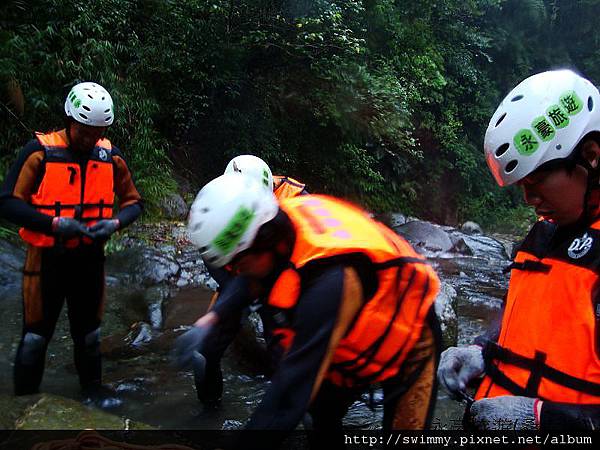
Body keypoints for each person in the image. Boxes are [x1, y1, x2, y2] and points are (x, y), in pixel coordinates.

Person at [175, 172, 441, 449]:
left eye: (239, 264)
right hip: (344, 339)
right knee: (319, 418)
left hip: (409, 340)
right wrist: (212, 320)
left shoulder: (329, 283)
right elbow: (247, 280)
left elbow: (287, 400)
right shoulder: (276, 230)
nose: (236, 273)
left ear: (264, 239)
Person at [438, 69, 600, 430]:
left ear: (591, 156)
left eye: (538, 180)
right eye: (522, 185)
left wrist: (546, 420)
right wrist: (482, 350)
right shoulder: (544, 234)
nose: (528, 199)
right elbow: (525, 314)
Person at [0, 82, 143, 408]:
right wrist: (54, 224)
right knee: (36, 338)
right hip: (46, 259)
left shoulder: (111, 158)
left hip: (89, 260)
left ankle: (92, 396)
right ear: (69, 121)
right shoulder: (39, 153)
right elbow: (7, 202)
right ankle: (22, 405)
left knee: (90, 336)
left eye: (98, 131)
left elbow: (134, 201)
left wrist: (116, 222)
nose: (90, 139)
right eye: (84, 131)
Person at [187, 154, 309, 407]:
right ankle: (208, 417)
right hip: (240, 278)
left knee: (288, 363)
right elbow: (215, 258)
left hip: (285, 283)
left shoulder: (298, 204)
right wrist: (214, 316)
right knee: (203, 353)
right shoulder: (217, 203)